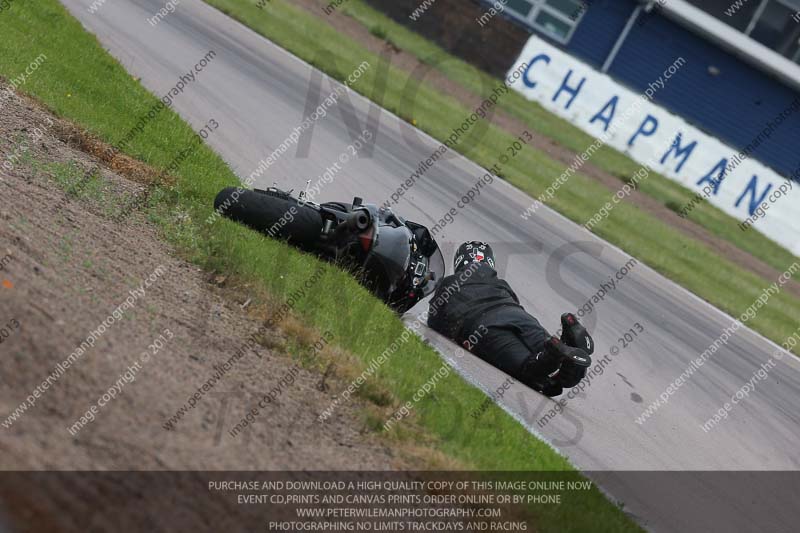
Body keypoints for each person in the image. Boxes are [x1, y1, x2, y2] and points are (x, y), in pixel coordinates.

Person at [428, 241, 594, 397]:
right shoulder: (500, 283)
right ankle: (563, 348)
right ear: (490, 262)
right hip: (518, 315)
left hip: (485, 326)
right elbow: (514, 302)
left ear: (459, 262)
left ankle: (550, 357)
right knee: (545, 346)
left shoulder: (449, 282)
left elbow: (435, 322)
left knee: (527, 368)